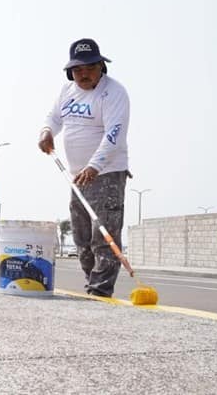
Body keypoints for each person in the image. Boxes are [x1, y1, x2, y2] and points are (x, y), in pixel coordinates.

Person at [38, 38, 130, 297]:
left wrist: (94, 166)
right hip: (77, 175)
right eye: (78, 69)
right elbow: (54, 117)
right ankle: (91, 282)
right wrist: (47, 132)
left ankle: (101, 290)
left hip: (106, 173)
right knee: (81, 236)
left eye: (90, 67)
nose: (84, 74)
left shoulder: (113, 93)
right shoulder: (67, 91)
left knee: (104, 234)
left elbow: (115, 134)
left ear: (101, 66)